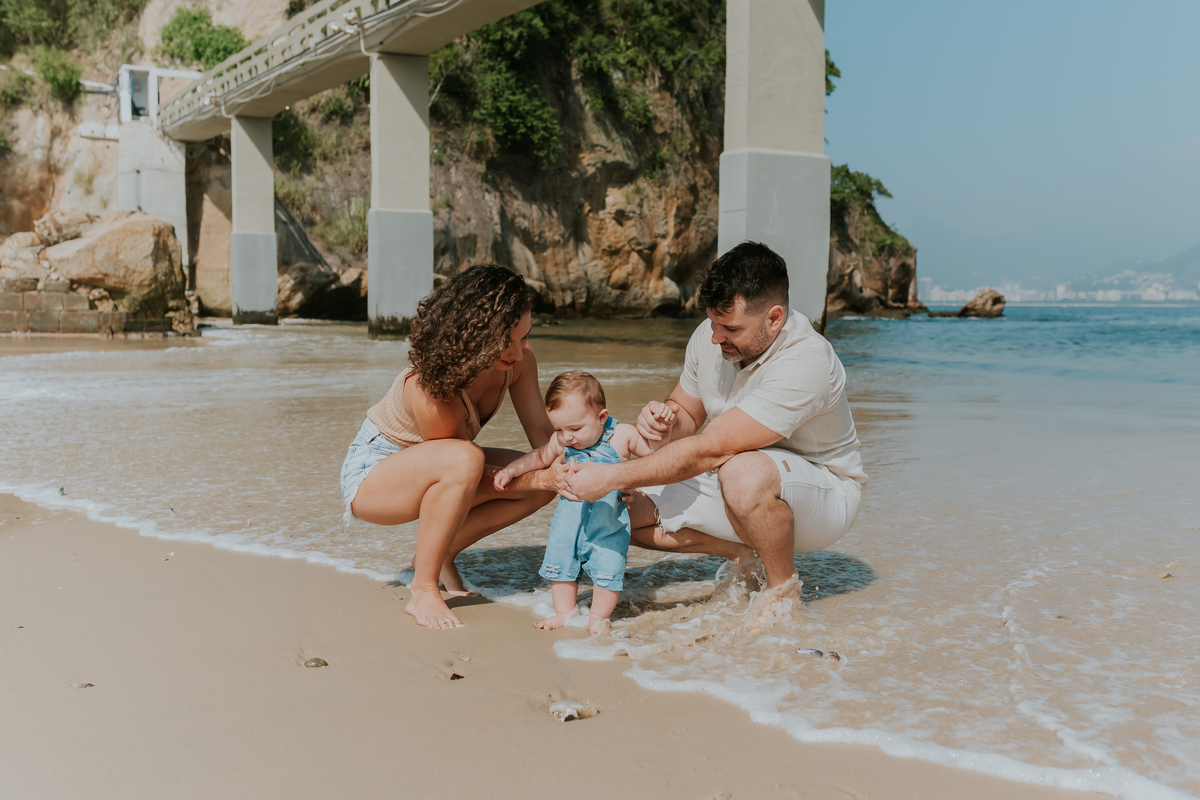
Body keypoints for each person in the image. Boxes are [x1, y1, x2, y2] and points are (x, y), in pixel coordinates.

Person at [562, 242, 868, 627]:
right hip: (733, 472)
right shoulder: (712, 337)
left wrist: (606, 474)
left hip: (824, 491)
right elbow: (688, 413)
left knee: (741, 473)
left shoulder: (806, 361)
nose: (715, 337)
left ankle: (783, 592)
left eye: (731, 328)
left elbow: (709, 450)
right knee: (619, 505)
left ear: (774, 318)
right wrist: (665, 421)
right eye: (713, 323)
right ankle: (746, 553)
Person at [340, 264, 560, 630]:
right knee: (479, 462)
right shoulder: (429, 390)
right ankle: (423, 587)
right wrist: (541, 481)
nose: (519, 353)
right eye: (508, 341)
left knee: (542, 470)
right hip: (373, 475)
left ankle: (442, 556)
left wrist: (596, 463)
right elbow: (463, 473)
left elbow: (544, 437)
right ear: (476, 335)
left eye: (524, 338)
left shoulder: (518, 363)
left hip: (446, 464)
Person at [494, 371, 672, 635]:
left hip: (609, 524)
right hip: (569, 523)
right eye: (558, 429)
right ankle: (564, 613)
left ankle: (598, 618)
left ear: (601, 417)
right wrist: (511, 470)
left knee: (608, 571)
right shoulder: (562, 442)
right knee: (561, 567)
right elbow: (538, 457)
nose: (567, 437)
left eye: (575, 429)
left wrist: (663, 434)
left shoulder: (622, 435)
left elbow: (658, 459)